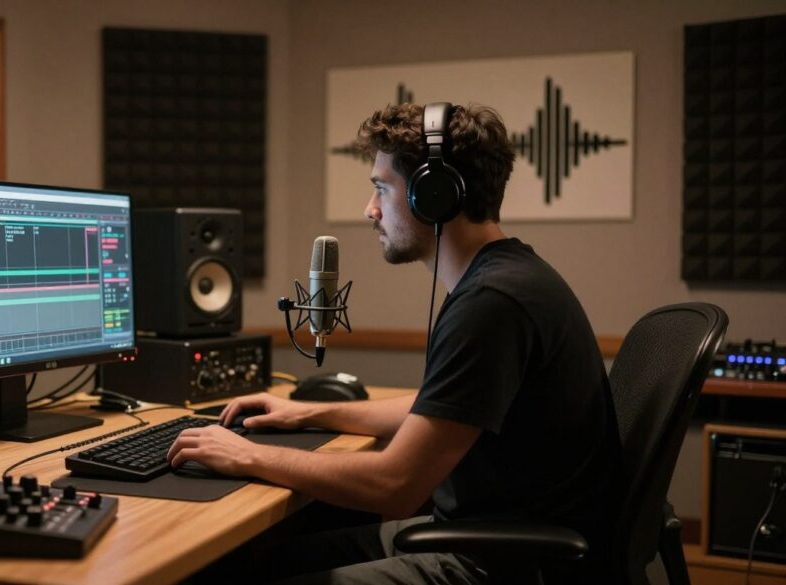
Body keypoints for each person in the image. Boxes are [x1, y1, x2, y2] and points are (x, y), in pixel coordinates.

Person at [167, 102, 624, 584]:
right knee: (264, 559)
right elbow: (439, 409)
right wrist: (305, 412)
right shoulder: (505, 278)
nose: (370, 209)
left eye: (382, 188)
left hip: (504, 565)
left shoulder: (492, 302)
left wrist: (248, 455)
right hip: (493, 537)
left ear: (436, 195)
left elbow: (395, 485)